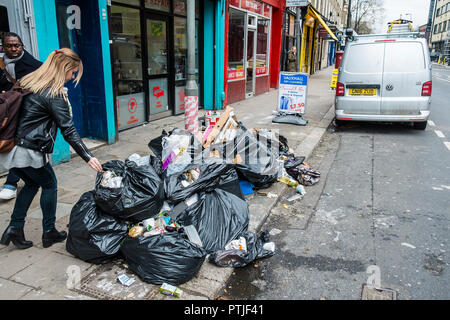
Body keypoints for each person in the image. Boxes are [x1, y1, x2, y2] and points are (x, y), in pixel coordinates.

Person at [0, 48, 103, 250]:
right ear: (64, 68)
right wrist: (88, 156)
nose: (72, 76)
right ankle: (49, 232)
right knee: (49, 184)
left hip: (13, 147)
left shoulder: (29, 81)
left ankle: (15, 228)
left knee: (30, 184)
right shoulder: (53, 93)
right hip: (27, 150)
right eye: (73, 72)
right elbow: (69, 129)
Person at [0, 32, 43, 200]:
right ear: (3, 47)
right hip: (7, 109)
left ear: (22, 45)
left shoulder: (33, 64)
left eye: (17, 45)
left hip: (25, 111)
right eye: (9, 46)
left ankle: (11, 183)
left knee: (17, 143)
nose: (14, 49)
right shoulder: (2, 63)